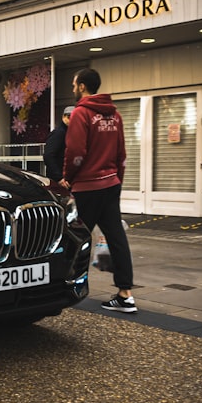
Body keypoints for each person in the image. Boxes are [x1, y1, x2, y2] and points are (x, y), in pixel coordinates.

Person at [61, 68, 136, 313]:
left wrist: (68, 179)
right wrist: (117, 181)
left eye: (74, 85)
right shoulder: (115, 115)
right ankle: (125, 294)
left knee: (74, 237)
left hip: (87, 187)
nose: (73, 89)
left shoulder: (81, 114)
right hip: (110, 184)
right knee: (117, 238)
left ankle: (64, 288)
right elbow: (121, 155)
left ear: (82, 86)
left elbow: (76, 153)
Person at [42, 105, 74, 181]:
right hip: (59, 179)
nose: (71, 120)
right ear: (63, 117)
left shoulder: (67, 132)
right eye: (69, 117)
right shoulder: (59, 133)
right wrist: (59, 177)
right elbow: (48, 155)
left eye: (73, 117)